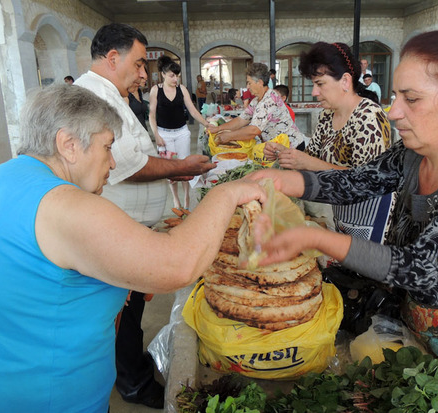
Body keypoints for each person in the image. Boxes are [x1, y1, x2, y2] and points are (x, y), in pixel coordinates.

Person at [0, 84, 266, 412]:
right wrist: (228, 194)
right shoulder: (65, 206)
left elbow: (33, 281)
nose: (112, 163)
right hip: (51, 399)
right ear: (68, 145)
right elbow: (177, 266)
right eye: (107, 147)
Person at [247, 30, 438, 384]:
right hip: (415, 320)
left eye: (412, 99)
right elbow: (356, 182)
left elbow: (422, 267)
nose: (393, 112)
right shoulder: (412, 153)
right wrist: (282, 181)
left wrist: (316, 238)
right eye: (394, 96)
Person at [74, 23, 215, 409]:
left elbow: (134, 155)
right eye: (138, 64)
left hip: (130, 226)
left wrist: (172, 167)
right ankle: (132, 382)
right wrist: (177, 167)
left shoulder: (111, 94)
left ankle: (132, 367)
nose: (142, 73)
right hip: (116, 228)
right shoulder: (93, 97)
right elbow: (125, 166)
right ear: (113, 58)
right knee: (121, 309)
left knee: (132, 306)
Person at [265, 42, 392, 246]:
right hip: (341, 210)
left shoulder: (369, 116)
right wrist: (286, 154)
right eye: (313, 84)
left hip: (370, 214)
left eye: (320, 84)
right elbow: (312, 157)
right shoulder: (327, 116)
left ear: (345, 81)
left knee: (363, 269)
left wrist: (306, 162)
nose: (315, 92)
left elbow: (367, 182)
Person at [149, 55, 212, 210]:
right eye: (172, 76)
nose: (175, 79)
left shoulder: (181, 89)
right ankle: (176, 199)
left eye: (177, 76)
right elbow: (151, 115)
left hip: (182, 132)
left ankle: (186, 197)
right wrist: (156, 135)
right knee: (171, 168)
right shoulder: (156, 90)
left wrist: (206, 123)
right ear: (163, 74)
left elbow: (192, 110)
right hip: (164, 134)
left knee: (184, 166)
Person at [207, 63, 306, 150]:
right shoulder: (256, 101)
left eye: (249, 83)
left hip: (292, 146)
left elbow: (254, 130)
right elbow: (241, 120)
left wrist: (229, 136)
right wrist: (218, 129)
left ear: (260, 82)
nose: (248, 87)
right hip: (277, 146)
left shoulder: (269, 100)